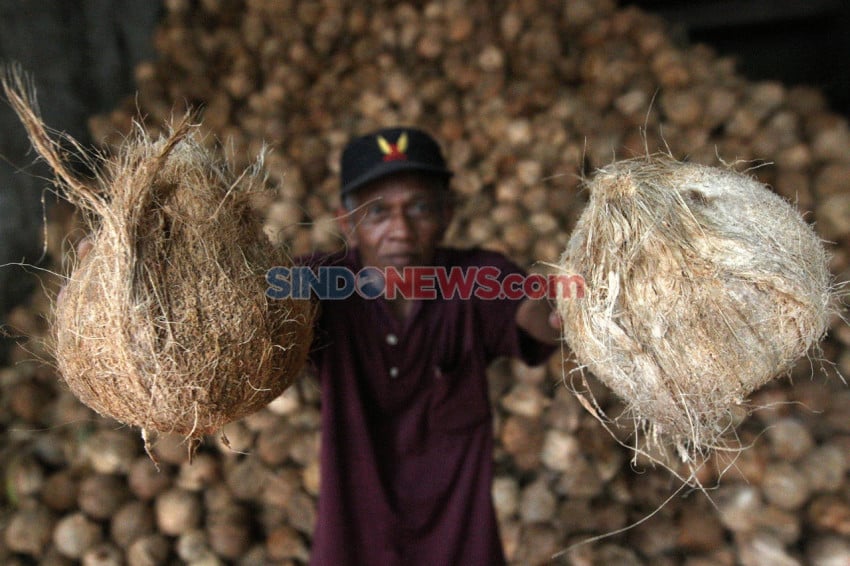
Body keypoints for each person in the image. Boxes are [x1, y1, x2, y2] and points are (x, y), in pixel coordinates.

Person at [301, 126, 560, 565]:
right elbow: (256, 320)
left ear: (447, 214)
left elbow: (535, 313)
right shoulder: (316, 287)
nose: (400, 230)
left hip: (461, 548)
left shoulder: (479, 277)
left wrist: (570, 310)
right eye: (377, 212)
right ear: (347, 223)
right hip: (352, 545)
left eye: (419, 208)